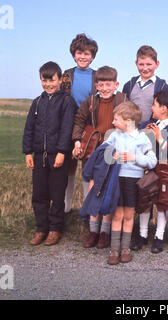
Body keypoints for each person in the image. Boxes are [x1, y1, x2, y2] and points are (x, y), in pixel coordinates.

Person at [72, 66, 127, 249]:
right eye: (101, 84)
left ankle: (105, 232)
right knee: (92, 191)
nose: (104, 88)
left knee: (108, 192)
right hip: (95, 152)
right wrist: (77, 141)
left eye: (108, 84)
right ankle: (93, 231)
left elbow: (131, 122)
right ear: (96, 85)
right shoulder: (91, 101)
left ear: (116, 84)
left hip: (114, 153)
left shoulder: (122, 99)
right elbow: (79, 120)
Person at [23, 61, 76, 246]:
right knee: (39, 194)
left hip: (58, 156)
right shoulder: (37, 102)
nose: (48, 84)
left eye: (51, 80)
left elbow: (67, 129)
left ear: (60, 79)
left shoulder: (67, 101)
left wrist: (62, 151)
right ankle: (41, 229)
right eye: (44, 80)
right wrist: (28, 152)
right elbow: (29, 128)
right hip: (39, 155)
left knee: (57, 193)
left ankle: (55, 229)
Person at [105, 101, 157, 265]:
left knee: (128, 215)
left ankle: (125, 249)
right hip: (117, 180)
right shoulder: (113, 136)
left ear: (128, 121)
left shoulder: (142, 138)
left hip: (134, 182)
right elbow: (104, 155)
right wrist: (111, 156)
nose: (113, 123)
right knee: (118, 215)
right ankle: (114, 249)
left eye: (116, 119)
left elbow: (152, 160)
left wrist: (136, 158)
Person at [131, 90, 168, 253]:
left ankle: (159, 237)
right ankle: (142, 235)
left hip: (166, 171)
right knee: (145, 201)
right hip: (149, 169)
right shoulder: (149, 124)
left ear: (163, 109)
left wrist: (160, 138)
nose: (151, 108)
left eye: (154, 104)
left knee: (162, 204)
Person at [61, 33, 98, 215]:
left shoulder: (97, 76)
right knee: (69, 166)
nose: (83, 57)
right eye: (79, 53)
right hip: (68, 125)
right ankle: (67, 206)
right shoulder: (66, 75)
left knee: (88, 165)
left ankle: (87, 207)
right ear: (74, 54)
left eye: (87, 53)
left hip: (89, 126)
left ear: (92, 56)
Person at [122, 45, 168, 126]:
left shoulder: (164, 88)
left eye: (149, 64)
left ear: (157, 64)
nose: (145, 68)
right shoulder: (128, 86)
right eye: (141, 64)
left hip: (152, 132)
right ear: (136, 64)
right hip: (130, 131)